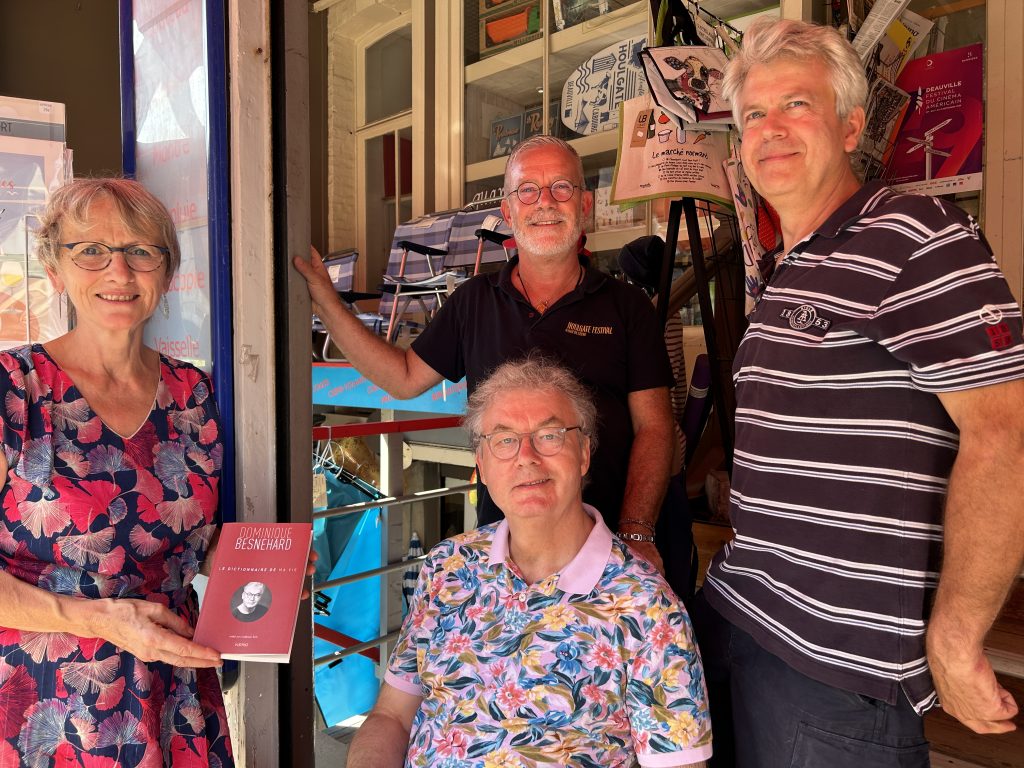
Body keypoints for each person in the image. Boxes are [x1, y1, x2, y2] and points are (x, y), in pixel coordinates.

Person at [692, 18, 1024, 767]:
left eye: (797, 105)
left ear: (850, 127)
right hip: (744, 616)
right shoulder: (790, 266)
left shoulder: (915, 234)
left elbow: (1006, 432)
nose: (771, 129)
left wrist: (957, 636)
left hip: (837, 666)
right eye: (754, 114)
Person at [295, 135, 675, 571]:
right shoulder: (473, 302)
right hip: (508, 550)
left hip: (608, 547)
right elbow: (403, 377)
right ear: (508, 212)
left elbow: (654, 426)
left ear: (584, 205)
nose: (545, 202)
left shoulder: (627, 307)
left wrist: (635, 532)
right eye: (527, 190)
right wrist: (327, 302)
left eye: (561, 187)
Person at [346, 356, 712, 768]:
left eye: (549, 435)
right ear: (482, 465)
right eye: (504, 440)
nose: (526, 456)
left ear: (584, 453)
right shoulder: (447, 566)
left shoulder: (648, 607)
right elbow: (391, 716)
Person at [0, 178, 233, 766]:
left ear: (166, 272)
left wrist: (255, 566)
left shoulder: (194, 391)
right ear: (55, 270)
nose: (119, 271)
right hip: (47, 707)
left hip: (175, 696)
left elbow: (180, 541)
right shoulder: (14, 388)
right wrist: (101, 619)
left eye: (140, 251)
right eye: (91, 251)